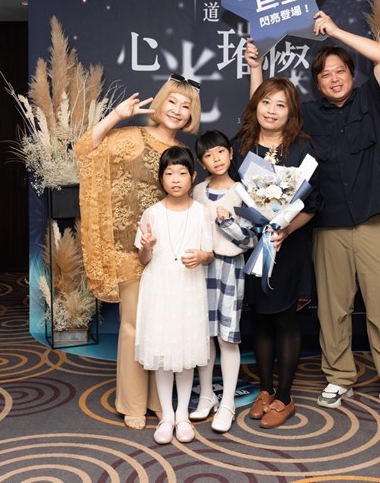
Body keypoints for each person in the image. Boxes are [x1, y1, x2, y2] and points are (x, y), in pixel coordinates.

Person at [245, 13, 380, 418]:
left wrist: (336, 32)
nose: (334, 78)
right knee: (333, 310)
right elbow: (262, 115)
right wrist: (255, 69)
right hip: (327, 228)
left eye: (340, 71)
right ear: (317, 82)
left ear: (351, 75)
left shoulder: (372, 100)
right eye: (325, 74)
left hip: (373, 223)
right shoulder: (307, 114)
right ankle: (339, 376)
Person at [75, 74, 202, 430]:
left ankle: (158, 401)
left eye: (186, 105)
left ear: (192, 114)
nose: (177, 110)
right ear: (160, 103)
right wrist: (117, 116)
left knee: (163, 327)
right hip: (128, 252)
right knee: (133, 326)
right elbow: (85, 150)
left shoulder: (182, 154)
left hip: (167, 256)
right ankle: (132, 403)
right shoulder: (132, 137)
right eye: (172, 101)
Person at [231, 76, 322, 429]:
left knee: (284, 318)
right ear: (256, 105)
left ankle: (285, 397)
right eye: (266, 102)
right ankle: (265, 391)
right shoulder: (241, 146)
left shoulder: (302, 149)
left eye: (280, 105)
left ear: (291, 111)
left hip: (289, 246)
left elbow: (314, 203)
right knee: (260, 317)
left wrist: (284, 230)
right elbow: (232, 193)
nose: (271, 111)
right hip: (253, 247)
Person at [135, 146, 214, 444]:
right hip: (159, 288)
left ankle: (183, 415)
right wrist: (147, 246)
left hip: (188, 288)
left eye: (182, 173)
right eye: (169, 173)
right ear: (161, 178)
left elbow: (210, 252)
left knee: (185, 352)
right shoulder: (151, 213)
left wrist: (202, 256)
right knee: (163, 351)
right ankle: (166, 416)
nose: (176, 179)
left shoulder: (201, 212)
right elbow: (143, 259)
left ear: (193, 176)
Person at [189, 130, 254, 433]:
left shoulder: (242, 192)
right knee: (203, 336)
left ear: (230, 152)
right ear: (202, 162)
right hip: (200, 269)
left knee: (227, 337)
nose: (216, 159)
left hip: (229, 268)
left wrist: (227, 222)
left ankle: (227, 402)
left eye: (220, 152)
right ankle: (206, 396)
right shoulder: (197, 192)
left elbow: (251, 240)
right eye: (208, 155)